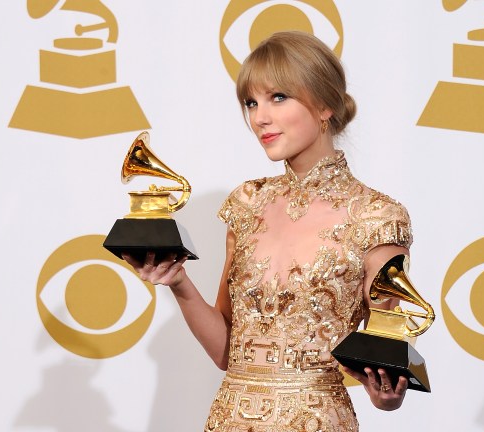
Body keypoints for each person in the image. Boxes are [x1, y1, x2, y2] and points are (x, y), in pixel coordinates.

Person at [123, 31, 412, 431]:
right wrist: (179, 283)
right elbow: (228, 353)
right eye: (251, 102)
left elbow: (386, 358)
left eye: (278, 97)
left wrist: (387, 395)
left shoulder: (377, 216)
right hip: (229, 418)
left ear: (325, 104)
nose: (260, 117)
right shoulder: (246, 203)